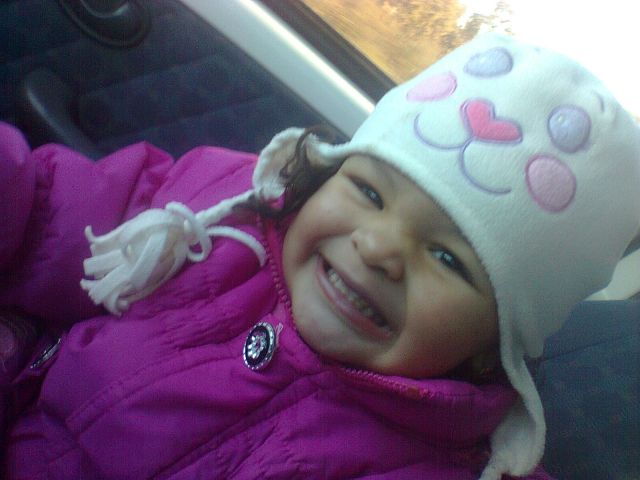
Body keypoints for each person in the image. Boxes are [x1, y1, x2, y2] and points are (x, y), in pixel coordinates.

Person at [1, 33, 639, 479]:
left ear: (492, 347)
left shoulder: (432, 464)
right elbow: (42, 204)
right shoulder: (215, 218)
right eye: (368, 192)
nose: (379, 246)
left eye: (449, 260)